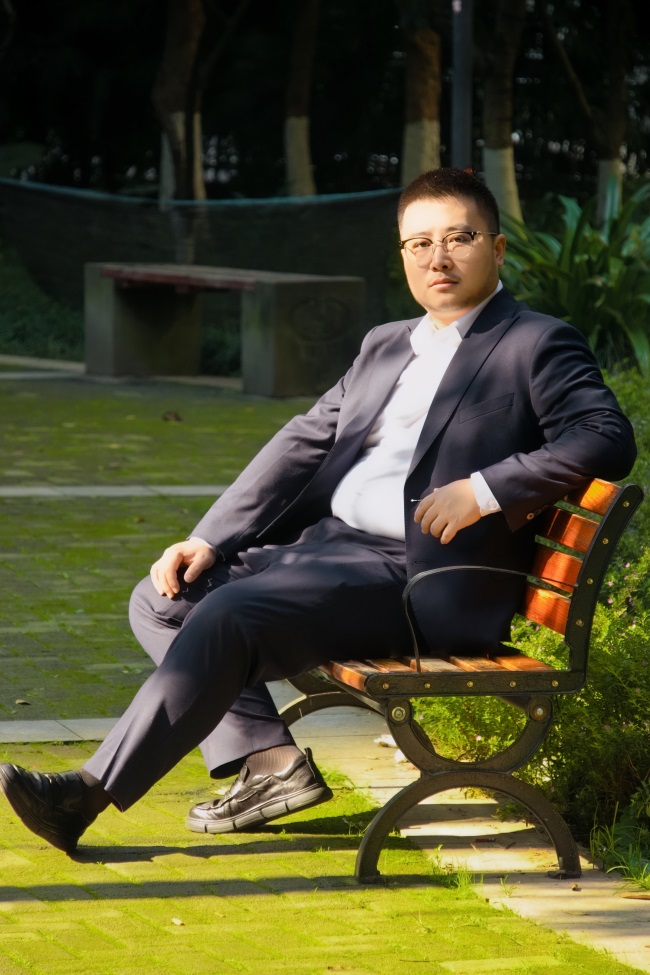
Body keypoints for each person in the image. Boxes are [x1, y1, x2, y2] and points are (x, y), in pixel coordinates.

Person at [0, 168, 636, 854]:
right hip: (331, 551)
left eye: (459, 238)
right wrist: (210, 537)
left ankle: (85, 795)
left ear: (498, 247)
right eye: (419, 243)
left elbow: (605, 437)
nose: (438, 258)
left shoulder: (535, 342)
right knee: (164, 599)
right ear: (403, 255)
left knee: (229, 615)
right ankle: (272, 762)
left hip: (422, 577)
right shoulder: (387, 343)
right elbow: (304, 441)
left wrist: (483, 488)